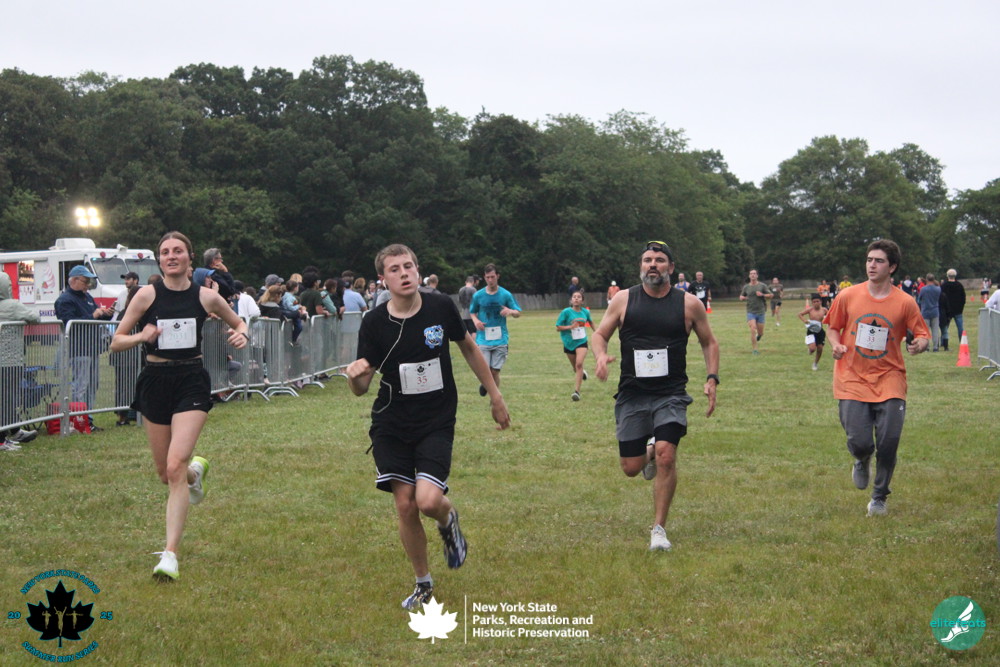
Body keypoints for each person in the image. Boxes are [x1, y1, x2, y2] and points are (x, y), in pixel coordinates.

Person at [345, 243, 511, 611]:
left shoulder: (440, 307)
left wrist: (495, 396)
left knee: (428, 501)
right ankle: (423, 582)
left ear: (418, 271)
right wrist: (354, 377)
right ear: (382, 279)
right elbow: (362, 387)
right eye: (394, 269)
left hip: (436, 418)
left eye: (408, 266)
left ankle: (448, 519)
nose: (404, 273)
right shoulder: (374, 323)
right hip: (391, 421)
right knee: (405, 505)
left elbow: (469, 347)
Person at [111, 231, 249, 580]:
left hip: (191, 380)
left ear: (190, 258)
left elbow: (239, 322)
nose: (171, 256)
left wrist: (242, 333)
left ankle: (170, 554)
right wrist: (141, 336)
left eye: (178, 251)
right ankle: (194, 475)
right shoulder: (146, 295)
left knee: (175, 464)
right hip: (155, 381)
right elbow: (116, 341)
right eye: (165, 252)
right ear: (160, 260)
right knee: (167, 473)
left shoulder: (206, 296)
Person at [591, 241, 719, 552]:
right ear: (641, 266)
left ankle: (658, 530)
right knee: (631, 468)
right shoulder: (623, 299)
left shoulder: (689, 304)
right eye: (647, 259)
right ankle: (647, 451)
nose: (653, 265)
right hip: (633, 395)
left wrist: (712, 378)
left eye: (659, 260)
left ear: (670, 268)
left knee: (667, 455)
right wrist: (600, 356)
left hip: (670, 394)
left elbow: (709, 342)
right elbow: (599, 334)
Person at [823, 239, 929, 517]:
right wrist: (835, 344)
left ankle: (879, 496)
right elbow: (832, 327)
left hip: (890, 377)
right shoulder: (848, 296)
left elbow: (922, 334)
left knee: (889, 441)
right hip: (852, 377)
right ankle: (861, 458)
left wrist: (920, 344)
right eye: (869, 259)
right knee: (860, 441)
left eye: (879, 261)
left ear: (892, 267)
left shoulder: (905, 302)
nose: (872, 265)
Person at [55, 265, 115, 431]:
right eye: (85, 281)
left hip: (92, 348)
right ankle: (77, 421)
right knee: (80, 386)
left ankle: (87, 420)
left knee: (92, 385)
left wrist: (105, 314)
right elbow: (69, 323)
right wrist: (93, 315)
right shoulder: (65, 300)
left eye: (89, 282)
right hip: (79, 349)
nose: (88, 285)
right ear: (74, 280)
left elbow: (93, 319)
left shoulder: (87, 296)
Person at [1, 271, 42, 450]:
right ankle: (3, 438)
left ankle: (14, 430)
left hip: (8, 360)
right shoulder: (13, 305)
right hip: (10, 361)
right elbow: (35, 318)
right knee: (8, 399)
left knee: (6, 398)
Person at [470, 263, 521, 396]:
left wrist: (510, 311)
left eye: (492, 277)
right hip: (483, 338)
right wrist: (476, 321)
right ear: (484, 277)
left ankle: (494, 398)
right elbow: (472, 312)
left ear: (498, 276)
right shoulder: (478, 295)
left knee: (495, 371)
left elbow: (518, 313)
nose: (490, 280)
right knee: (485, 370)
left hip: (501, 338)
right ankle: (487, 385)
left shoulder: (505, 294)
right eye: (488, 277)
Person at [555, 291, 593, 401]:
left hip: (582, 341)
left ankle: (577, 392)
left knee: (579, 364)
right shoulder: (566, 312)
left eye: (579, 297)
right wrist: (570, 327)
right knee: (575, 367)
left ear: (582, 301)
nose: (576, 298)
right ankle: (582, 373)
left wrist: (598, 333)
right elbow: (558, 327)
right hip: (569, 343)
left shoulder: (585, 312)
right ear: (571, 300)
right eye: (574, 297)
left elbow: (590, 322)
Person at [739, 269, 771, 355]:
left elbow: (770, 295)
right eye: (751, 274)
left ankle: (759, 336)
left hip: (761, 311)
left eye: (754, 274)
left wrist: (762, 295)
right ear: (749, 276)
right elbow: (741, 296)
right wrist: (742, 298)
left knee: (760, 333)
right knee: (753, 329)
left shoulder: (762, 286)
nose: (752, 275)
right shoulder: (746, 287)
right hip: (750, 311)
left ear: (757, 275)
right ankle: (755, 349)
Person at [797, 294, 828, 371]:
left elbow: (830, 317)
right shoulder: (810, 310)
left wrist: (828, 322)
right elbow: (800, 314)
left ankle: (815, 363)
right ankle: (810, 350)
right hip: (811, 331)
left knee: (820, 348)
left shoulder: (824, 310)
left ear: (820, 302)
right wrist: (805, 321)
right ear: (812, 302)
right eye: (814, 302)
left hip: (820, 331)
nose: (816, 303)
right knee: (812, 348)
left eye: (817, 301)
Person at [939, 269, 966, 351]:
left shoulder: (944, 285)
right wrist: (961, 307)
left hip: (947, 310)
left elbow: (941, 297)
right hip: (958, 310)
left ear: (947, 275)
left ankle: (943, 342)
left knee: (945, 327)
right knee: (960, 327)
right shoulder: (959, 285)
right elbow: (963, 298)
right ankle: (962, 341)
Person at [917, 273, 941, 351]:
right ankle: (935, 347)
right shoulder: (938, 289)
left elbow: (919, 300)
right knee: (935, 330)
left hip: (925, 311)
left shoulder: (923, 289)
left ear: (926, 279)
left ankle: (927, 347)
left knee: (926, 331)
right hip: (935, 311)